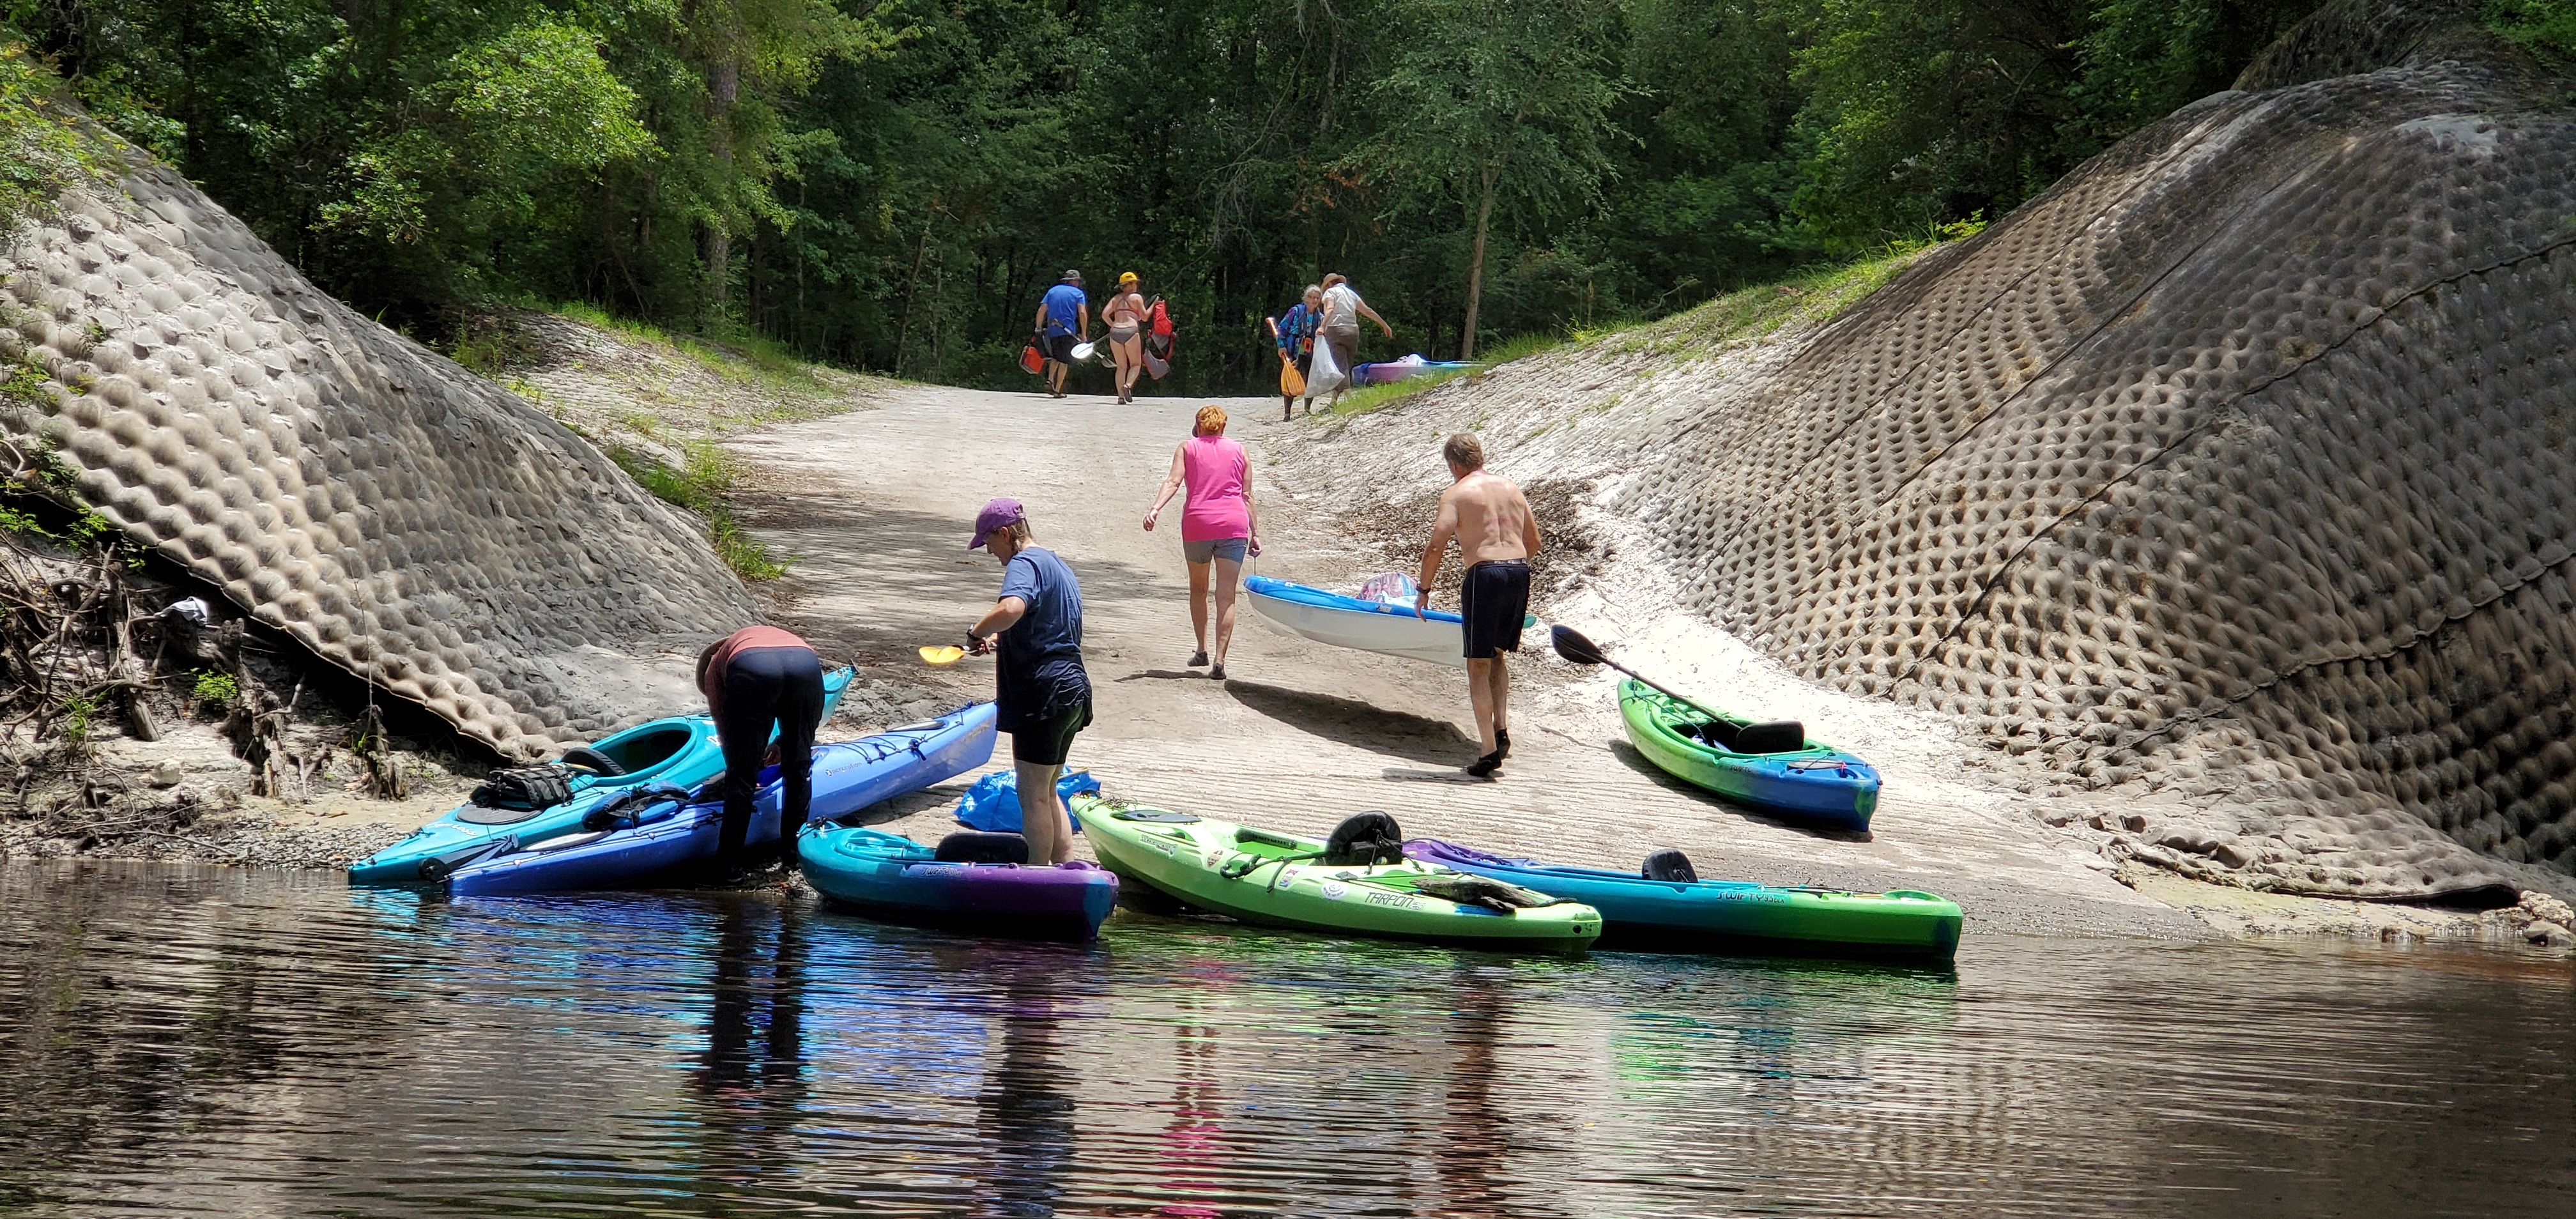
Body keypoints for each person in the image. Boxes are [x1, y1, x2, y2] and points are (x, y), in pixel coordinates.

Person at [965, 498, 1090, 864]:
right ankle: (1066, 872)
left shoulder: (1024, 563)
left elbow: (1013, 608)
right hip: (1073, 691)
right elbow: (1047, 624)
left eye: (989, 542)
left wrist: (976, 632)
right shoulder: (1058, 565)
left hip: (1044, 692)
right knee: (1049, 791)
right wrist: (1000, 638)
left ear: (1005, 533)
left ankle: (1036, 878)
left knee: (1032, 794)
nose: (989, 551)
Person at [1414, 433, 1540, 778]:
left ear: (1453, 464)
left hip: (1484, 575)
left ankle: (1487, 750)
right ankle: (1501, 729)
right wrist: (1509, 565)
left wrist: (1424, 589)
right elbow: (1534, 541)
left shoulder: (1456, 493)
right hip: (1519, 571)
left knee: (1477, 664)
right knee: (1498, 652)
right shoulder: (1512, 487)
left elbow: (1437, 545)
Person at [1143, 405, 1262, 678]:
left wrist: (1155, 509)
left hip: (1198, 525)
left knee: (1199, 589)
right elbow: (1247, 495)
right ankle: (1220, 660)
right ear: (1223, 426)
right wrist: (1255, 533)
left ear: (1198, 425)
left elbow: (1173, 481)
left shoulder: (1187, 448)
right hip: (1233, 527)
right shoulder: (1240, 450)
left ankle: (1201, 649)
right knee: (1226, 596)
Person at [696, 624, 825, 867]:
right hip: (805, 664)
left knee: (741, 777)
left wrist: (745, 767)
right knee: (798, 769)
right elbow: (811, 719)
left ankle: (729, 868)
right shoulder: (761, 636)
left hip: (753, 668)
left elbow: (725, 730)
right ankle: (793, 857)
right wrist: (783, 743)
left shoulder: (715, 666)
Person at [1317, 272, 1393, 409]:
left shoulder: (1330, 293)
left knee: (1340, 366)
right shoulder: (1351, 294)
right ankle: (1334, 402)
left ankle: (1352, 400)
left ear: (1329, 284)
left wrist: (1322, 326)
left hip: (1336, 330)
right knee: (1346, 365)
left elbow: (1330, 309)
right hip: (1353, 332)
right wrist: (1384, 325)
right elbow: (1368, 311)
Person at [1031, 270, 1089, 398]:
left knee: (1056, 356)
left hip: (1053, 330)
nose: (1078, 284)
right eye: (1078, 281)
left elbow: (1042, 310)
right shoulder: (1078, 293)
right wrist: (1084, 334)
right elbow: (1082, 312)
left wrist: (1039, 327)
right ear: (1074, 281)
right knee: (1065, 360)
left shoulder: (1053, 291)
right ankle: (1057, 390)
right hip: (1068, 330)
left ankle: (1050, 379)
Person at [1272, 285, 1322, 420]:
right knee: (1291, 378)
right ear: (1305, 298)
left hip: (1310, 351)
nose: (1313, 300)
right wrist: (1281, 346)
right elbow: (1282, 329)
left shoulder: (1320, 317)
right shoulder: (1295, 311)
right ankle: (1287, 413)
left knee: (1310, 380)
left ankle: (1307, 409)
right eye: (1310, 297)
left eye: (1316, 298)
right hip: (1293, 350)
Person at [1101, 272, 1148, 404]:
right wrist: (1154, 305)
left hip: (1115, 332)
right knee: (1136, 364)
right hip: (1131, 331)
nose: (1136, 286)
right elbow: (1144, 317)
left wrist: (1113, 325)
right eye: (1135, 283)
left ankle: (1120, 397)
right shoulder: (1137, 298)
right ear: (1130, 285)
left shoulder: (1115, 299)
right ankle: (1128, 386)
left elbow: (1104, 315)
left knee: (1121, 367)